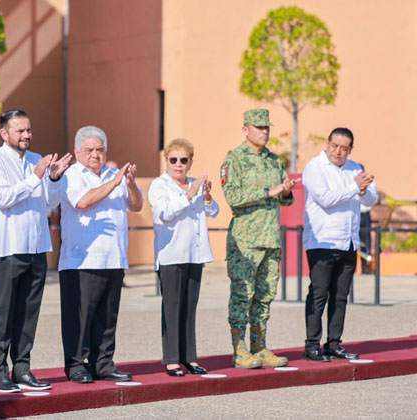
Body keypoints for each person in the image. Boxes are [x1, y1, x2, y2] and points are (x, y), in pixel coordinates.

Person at [0, 109, 72, 393]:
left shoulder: (37, 161)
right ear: (4, 134)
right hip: (7, 248)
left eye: (28, 130)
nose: (26, 136)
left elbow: (51, 203)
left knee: (29, 313)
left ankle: (22, 370)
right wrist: (35, 177)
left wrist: (54, 179)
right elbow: (5, 199)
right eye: (20, 131)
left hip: (36, 246)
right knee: (3, 315)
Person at [53, 125, 143, 384]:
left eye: (100, 150)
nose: (95, 155)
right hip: (82, 259)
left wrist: (130, 184)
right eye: (89, 150)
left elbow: (135, 205)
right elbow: (82, 201)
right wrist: (114, 183)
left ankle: (103, 363)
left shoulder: (116, 174)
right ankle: (76, 365)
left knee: (107, 317)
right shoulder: (71, 175)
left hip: (113, 257)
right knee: (80, 317)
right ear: (77, 151)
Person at [220, 109, 298, 369]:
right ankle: (239, 349)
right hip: (245, 242)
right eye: (258, 127)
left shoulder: (274, 161)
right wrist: (268, 191)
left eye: (267, 127)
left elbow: (284, 200)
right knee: (243, 295)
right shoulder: (234, 160)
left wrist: (285, 191)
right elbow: (232, 197)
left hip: (270, 239)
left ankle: (259, 346)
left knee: (265, 296)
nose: (264, 131)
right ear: (245, 129)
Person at [302, 128, 378, 362]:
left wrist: (363, 190)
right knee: (319, 293)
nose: (338, 151)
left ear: (350, 149)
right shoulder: (315, 167)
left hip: (348, 241)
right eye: (335, 145)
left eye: (344, 148)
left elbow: (371, 200)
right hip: (323, 241)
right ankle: (311, 344)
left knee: (340, 296)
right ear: (328, 143)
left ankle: (334, 343)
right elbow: (325, 199)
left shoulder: (355, 168)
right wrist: (355, 188)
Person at [149, 138, 219, 377]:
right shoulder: (159, 185)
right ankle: (171, 359)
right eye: (173, 160)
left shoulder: (196, 183)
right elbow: (165, 213)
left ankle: (189, 357)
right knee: (172, 308)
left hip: (195, 254)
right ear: (166, 161)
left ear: (190, 162)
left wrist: (206, 195)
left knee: (189, 308)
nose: (178, 164)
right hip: (171, 255)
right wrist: (189, 194)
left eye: (183, 160)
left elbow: (213, 211)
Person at [358, 163, 376, 274]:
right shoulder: (352, 182)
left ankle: (365, 267)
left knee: (366, 242)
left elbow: (374, 197)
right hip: (355, 214)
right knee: (354, 242)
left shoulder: (370, 182)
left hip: (365, 214)